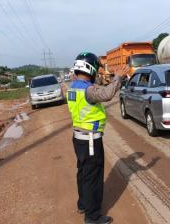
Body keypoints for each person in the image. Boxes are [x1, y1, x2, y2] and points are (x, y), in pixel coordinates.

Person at [65, 52, 129, 224]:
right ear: (91, 68)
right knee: (93, 177)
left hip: (78, 138)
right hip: (91, 140)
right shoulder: (88, 90)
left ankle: (83, 204)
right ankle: (92, 217)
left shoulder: (73, 87)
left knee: (83, 173)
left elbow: (98, 89)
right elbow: (106, 94)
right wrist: (118, 78)